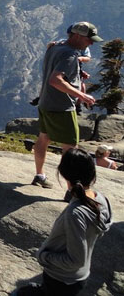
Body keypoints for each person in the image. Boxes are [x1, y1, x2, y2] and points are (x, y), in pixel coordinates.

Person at [18, 148, 112, 296]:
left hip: (61, 279)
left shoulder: (75, 213)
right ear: (92, 173)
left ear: (63, 175)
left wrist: (43, 256)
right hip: (79, 275)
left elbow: (75, 260)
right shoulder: (100, 199)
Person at [32, 22, 100, 190]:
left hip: (45, 102)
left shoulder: (55, 47)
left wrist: (76, 71)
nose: (91, 43)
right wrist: (82, 95)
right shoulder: (69, 54)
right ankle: (71, 190)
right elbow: (55, 80)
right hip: (61, 107)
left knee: (43, 138)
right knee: (71, 149)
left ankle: (39, 175)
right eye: (89, 39)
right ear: (77, 36)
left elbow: (55, 70)